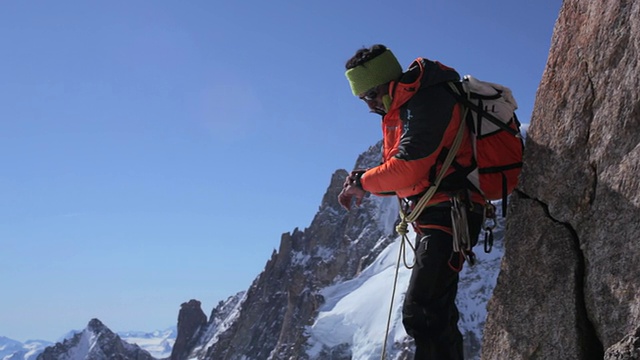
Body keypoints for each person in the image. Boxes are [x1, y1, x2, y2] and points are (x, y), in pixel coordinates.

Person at [338, 44, 485, 360]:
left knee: (422, 309)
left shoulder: (424, 101)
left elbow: (408, 168)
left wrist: (365, 182)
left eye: (369, 97)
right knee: (436, 311)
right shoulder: (409, 105)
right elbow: (413, 175)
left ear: (383, 85)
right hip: (441, 215)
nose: (369, 106)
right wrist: (366, 182)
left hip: (449, 215)